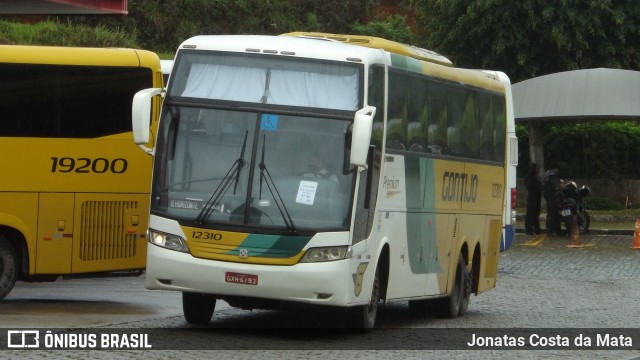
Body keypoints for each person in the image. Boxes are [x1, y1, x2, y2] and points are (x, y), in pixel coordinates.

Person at [543, 162, 563, 235]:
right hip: (552, 197)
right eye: (557, 168)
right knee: (552, 213)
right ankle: (551, 230)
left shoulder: (547, 175)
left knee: (553, 213)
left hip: (550, 196)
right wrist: (560, 186)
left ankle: (554, 230)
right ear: (555, 168)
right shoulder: (551, 176)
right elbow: (555, 186)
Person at [524, 162, 542, 234]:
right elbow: (531, 186)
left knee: (536, 213)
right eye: (536, 168)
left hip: (537, 197)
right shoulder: (530, 177)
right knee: (531, 214)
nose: (537, 170)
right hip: (532, 197)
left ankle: (536, 229)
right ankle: (529, 229)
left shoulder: (535, 176)